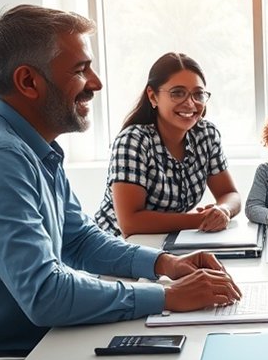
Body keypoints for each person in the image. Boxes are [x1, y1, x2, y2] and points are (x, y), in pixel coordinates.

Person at [0, 5, 241, 360]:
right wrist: (166, 296)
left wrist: (164, 264)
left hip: (34, 348)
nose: (97, 83)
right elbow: (46, 295)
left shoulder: (31, 146)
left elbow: (79, 239)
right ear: (29, 81)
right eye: (81, 70)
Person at [94, 52, 241, 237]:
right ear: (153, 96)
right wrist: (201, 219)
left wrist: (223, 210)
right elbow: (130, 223)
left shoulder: (206, 134)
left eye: (198, 94)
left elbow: (230, 194)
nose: (190, 103)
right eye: (177, 93)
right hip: (114, 246)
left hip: (165, 243)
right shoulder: (133, 141)